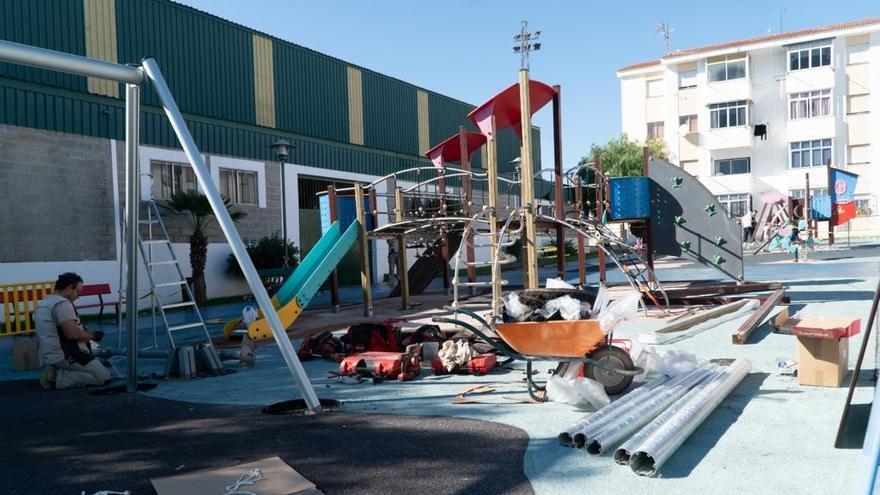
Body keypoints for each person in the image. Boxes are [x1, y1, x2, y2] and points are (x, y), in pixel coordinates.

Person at [36, 273, 111, 390]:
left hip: (52, 353)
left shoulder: (46, 302)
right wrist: (94, 335)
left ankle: (57, 368)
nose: (78, 296)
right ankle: (57, 378)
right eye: (78, 292)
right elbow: (72, 334)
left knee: (96, 367)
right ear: (70, 288)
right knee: (103, 377)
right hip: (67, 354)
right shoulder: (63, 304)